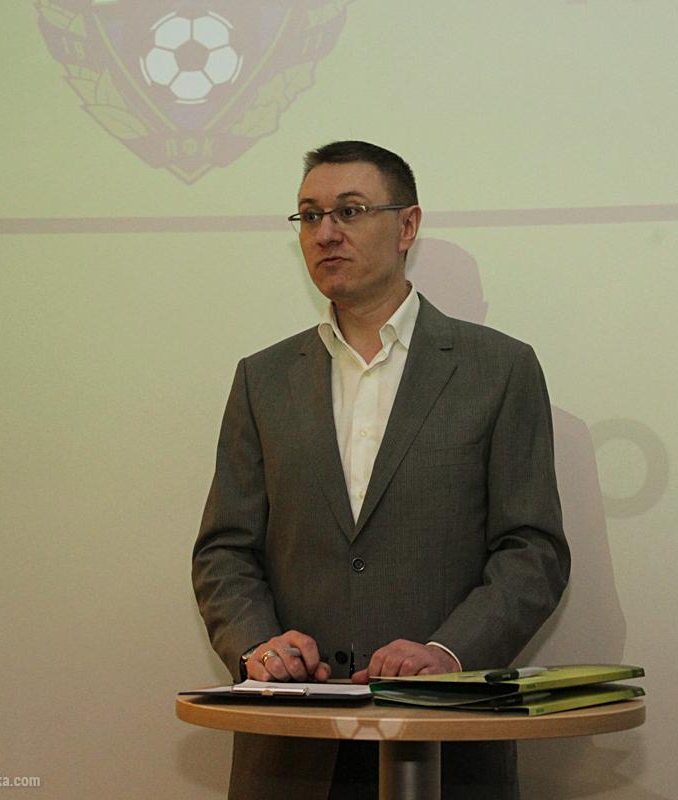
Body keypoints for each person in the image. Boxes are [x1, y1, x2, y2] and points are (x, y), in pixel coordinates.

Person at [192, 140, 571, 799]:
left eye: (350, 210)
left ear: (407, 226)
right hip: (290, 748)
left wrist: (449, 654)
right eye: (310, 215)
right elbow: (225, 550)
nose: (325, 233)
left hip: (445, 741)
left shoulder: (499, 369)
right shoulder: (263, 378)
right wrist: (258, 647)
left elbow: (531, 550)